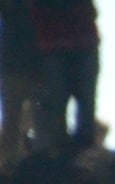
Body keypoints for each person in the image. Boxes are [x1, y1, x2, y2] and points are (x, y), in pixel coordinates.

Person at [31, 0, 99, 156]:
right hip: (57, 41)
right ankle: (66, 157)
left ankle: (77, 156)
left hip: (72, 39)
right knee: (59, 104)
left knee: (79, 104)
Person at [0, 0, 41, 170]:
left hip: (33, 63)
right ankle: (11, 166)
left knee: (23, 120)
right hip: (20, 64)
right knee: (15, 121)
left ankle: (21, 165)